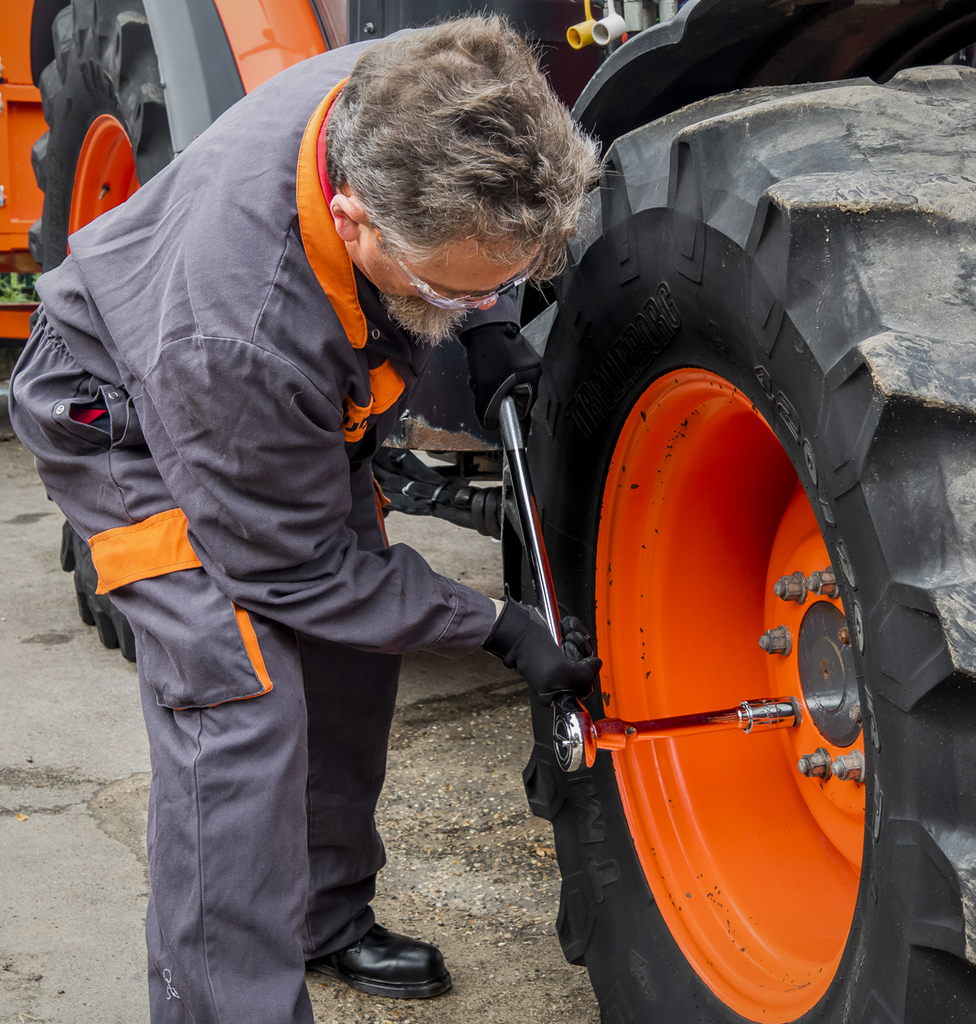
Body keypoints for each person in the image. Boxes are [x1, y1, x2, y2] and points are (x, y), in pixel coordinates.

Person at [10, 16, 601, 1024]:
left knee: (354, 656)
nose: (479, 300)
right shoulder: (241, 330)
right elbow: (293, 570)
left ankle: (321, 916)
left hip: (272, 400)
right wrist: (495, 626)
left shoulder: (438, 84)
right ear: (353, 217)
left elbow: (483, 228)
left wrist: (491, 323)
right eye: (452, 289)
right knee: (238, 695)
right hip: (120, 416)